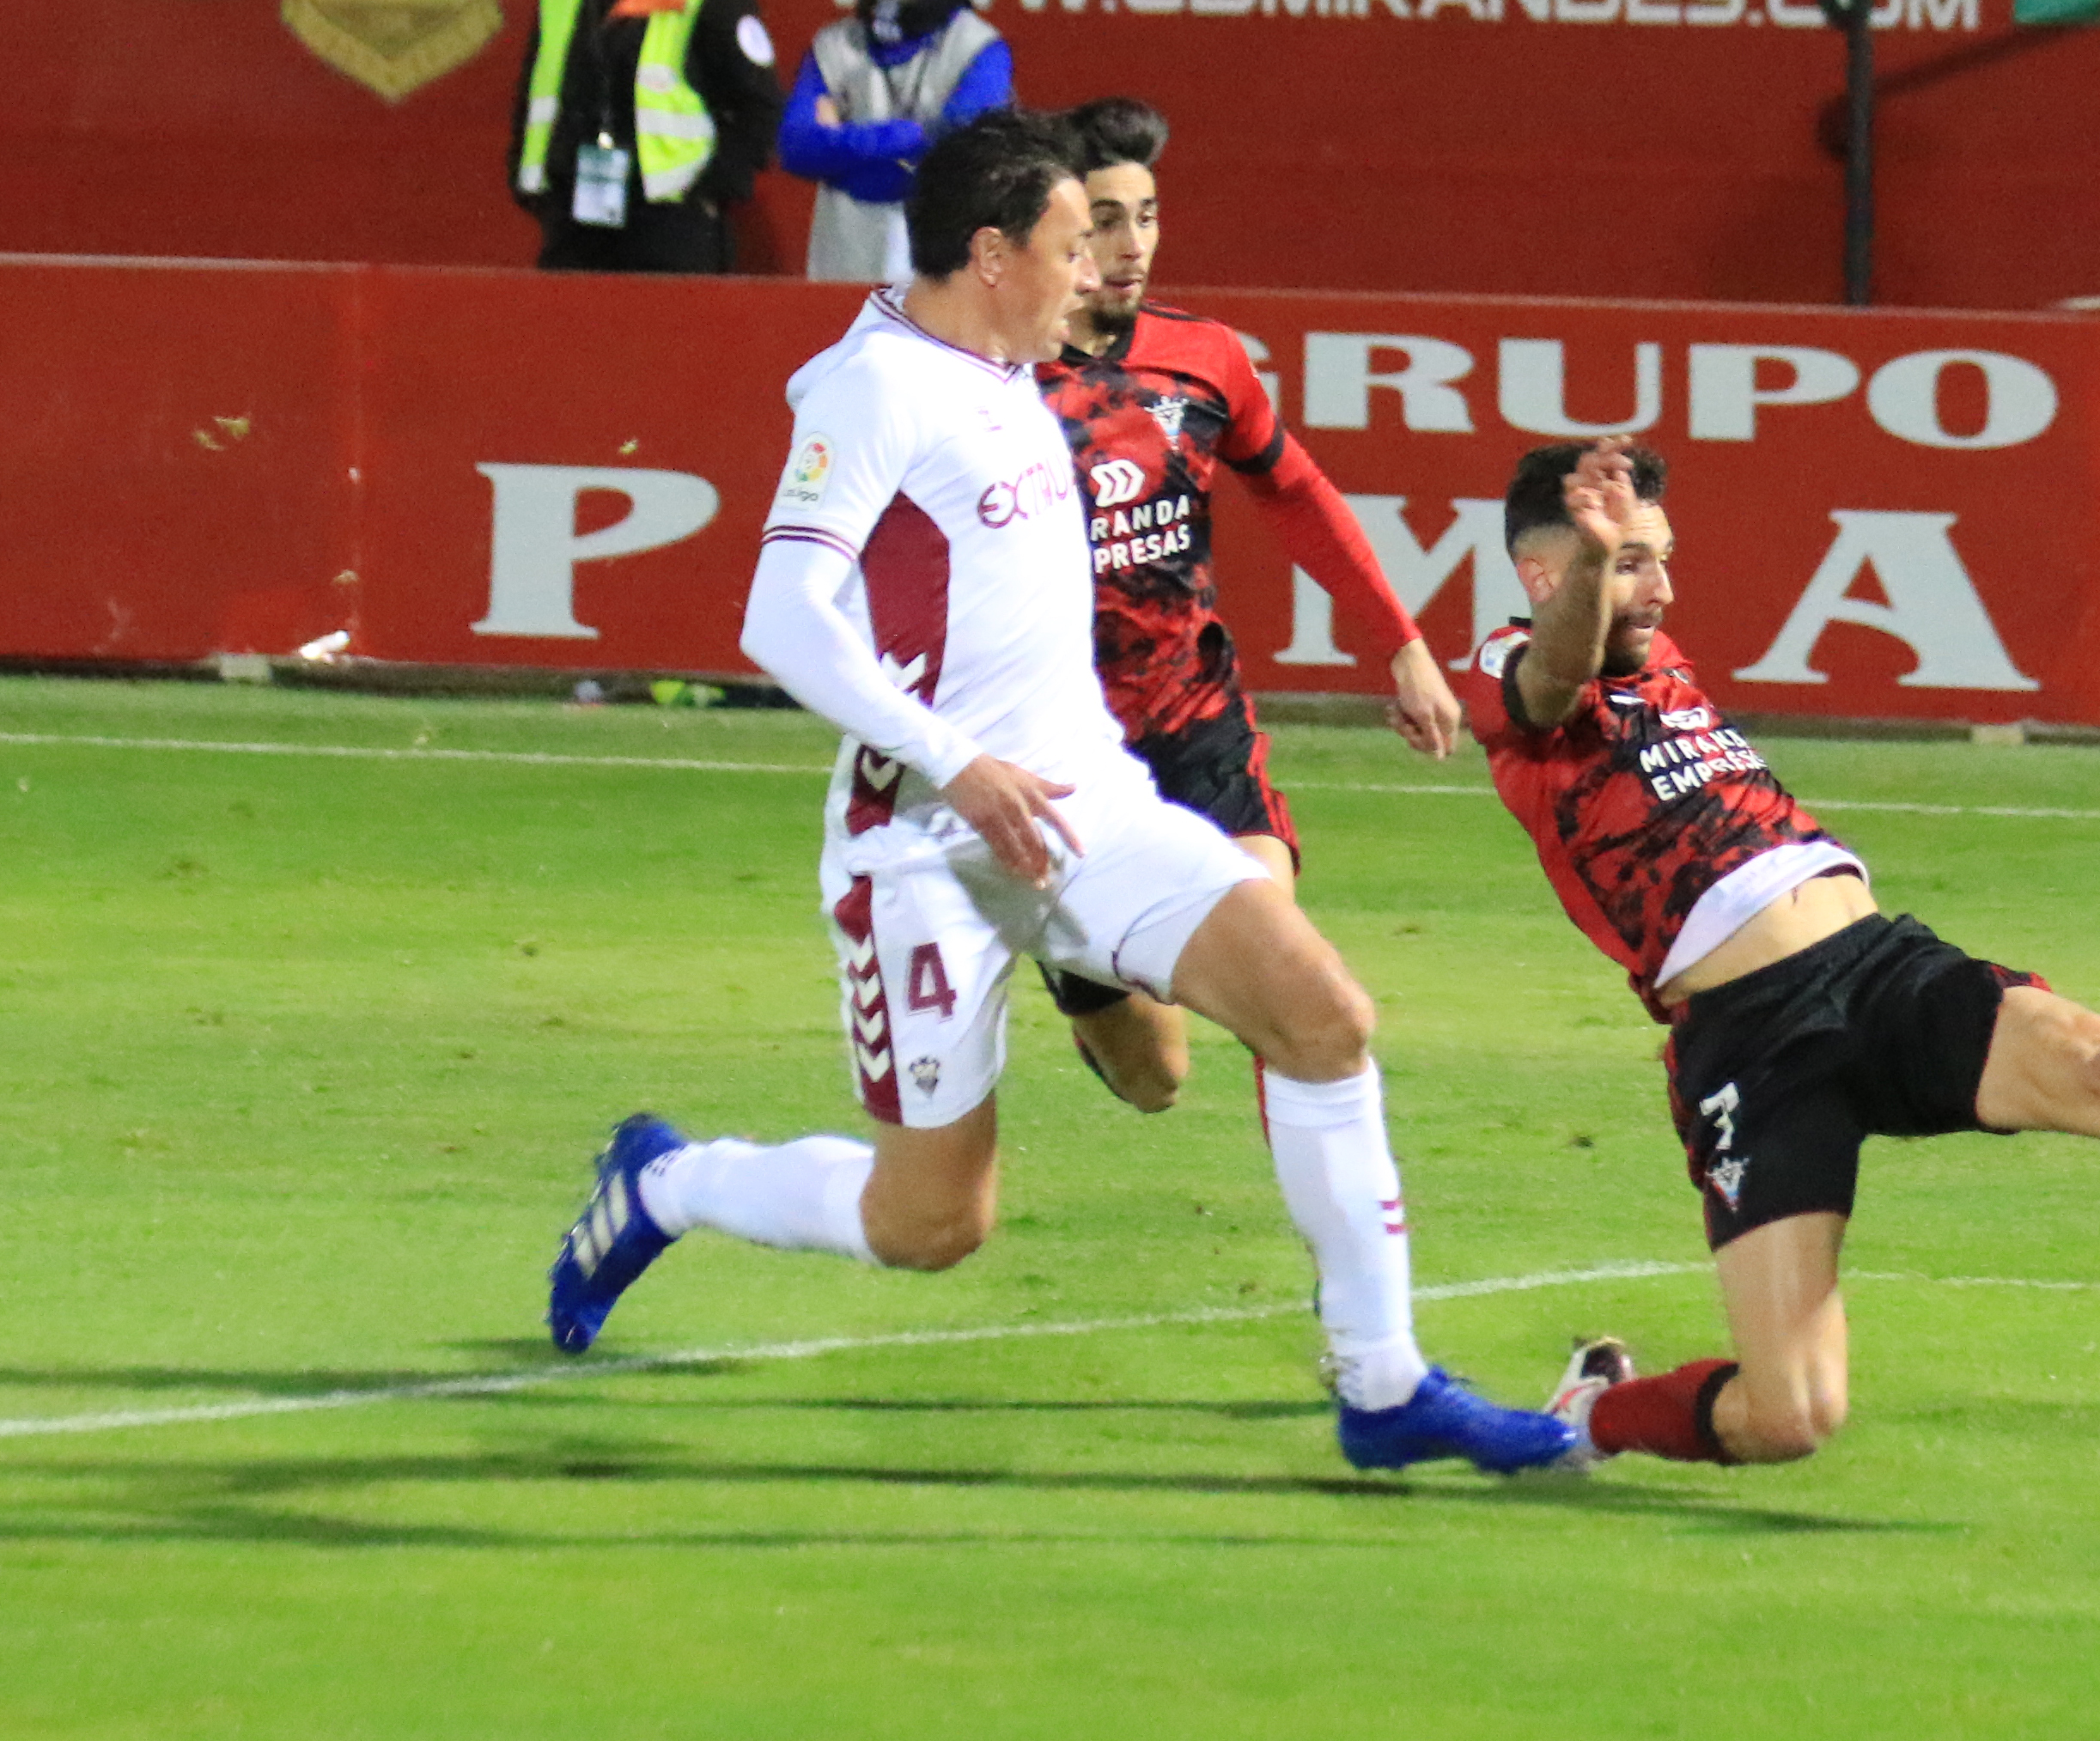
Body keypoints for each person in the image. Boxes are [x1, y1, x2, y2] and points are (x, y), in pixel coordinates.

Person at [543, 111, 1571, 1476]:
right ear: (989, 256)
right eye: (1069, 247)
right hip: (921, 846)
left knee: (1323, 1019)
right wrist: (956, 764)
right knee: (933, 1225)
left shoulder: (1005, 367)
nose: (1093, 276)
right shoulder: (874, 389)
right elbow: (782, 620)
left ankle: (1381, 1388)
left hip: (1089, 810)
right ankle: (665, 1184)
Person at [1464, 440, 2100, 1470]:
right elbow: (1554, 672)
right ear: (1546, 578)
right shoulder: (1509, 671)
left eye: (1660, 556)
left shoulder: (1658, 657)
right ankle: (1589, 1417)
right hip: (1753, 1047)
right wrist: (1591, 568)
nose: (1660, 586)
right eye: (1629, 563)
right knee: (1790, 1413)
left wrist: (1612, 556)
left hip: (1881, 970)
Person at [1030, 96, 1463, 1114]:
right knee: (1155, 1078)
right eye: (1103, 219)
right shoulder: (992, 381)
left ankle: (1351, 1262)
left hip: (1197, 729)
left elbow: (1299, 495)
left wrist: (1400, 645)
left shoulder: (1206, 358)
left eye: (1147, 214)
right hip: (1065, 758)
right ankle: (1073, 954)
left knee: (1289, 981)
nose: (1131, 245)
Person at [508, 0, 783, 274]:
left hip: (672, 221)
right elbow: (531, 95)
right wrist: (531, 185)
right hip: (575, 220)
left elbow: (760, 107)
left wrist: (709, 190)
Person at [779, 0, 1014, 283]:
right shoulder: (834, 44)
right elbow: (798, 147)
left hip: (945, 284)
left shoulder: (981, 49)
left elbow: (963, 150)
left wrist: (845, 149)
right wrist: (910, 136)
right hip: (842, 276)